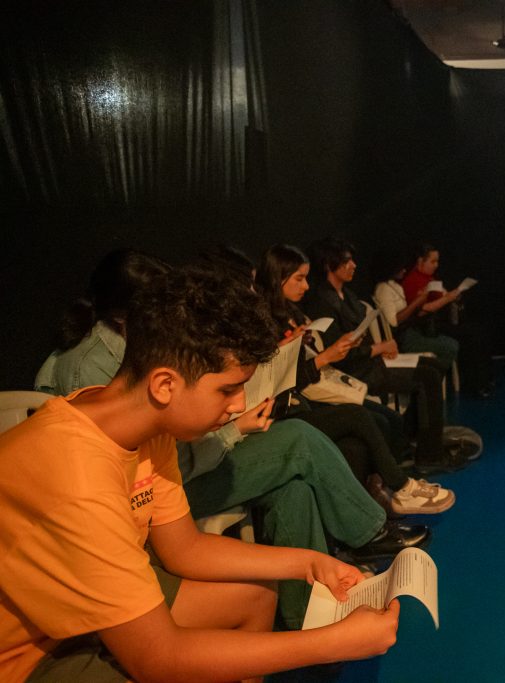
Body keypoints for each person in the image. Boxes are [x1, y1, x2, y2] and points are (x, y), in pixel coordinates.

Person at [1, 265, 402, 682]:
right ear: (164, 384)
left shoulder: (145, 426)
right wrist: (332, 642)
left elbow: (185, 549)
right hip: (25, 655)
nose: (239, 404)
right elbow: (158, 659)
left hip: (67, 609)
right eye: (227, 389)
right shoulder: (78, 477)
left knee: (255, 597)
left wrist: (311, 563)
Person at [256, 244, 455, 514]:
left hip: (320, 385)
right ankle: (400, 486)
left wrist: (314, 345)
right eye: (299, 279)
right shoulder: (275, 319)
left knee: (387, 417)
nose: (305, 286)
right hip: (304, 398)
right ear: (277, 278)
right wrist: (322, 354)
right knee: (365, 420)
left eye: (306, 278)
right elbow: (282, 378)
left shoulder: (297, 310)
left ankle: (387, 492)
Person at [304, 237, 466, 473]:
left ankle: (419, 440)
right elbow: (341, 355)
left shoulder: (346, 294)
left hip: (369, 361)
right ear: (330, 265)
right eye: (347, 262)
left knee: (432, 366)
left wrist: (379, 348)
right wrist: (378, 348)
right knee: (428, 377)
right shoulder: (322, 302)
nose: (353, 265)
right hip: (357, 371)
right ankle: (429, 456)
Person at [394, 242, 496, 397]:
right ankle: (477, 384)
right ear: (421, 261)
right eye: (433, 261)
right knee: (472, 335)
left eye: (437, 261)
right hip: (426, 327)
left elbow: (441, 297)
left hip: (437, 322)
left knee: (479, 330)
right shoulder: (413, 281)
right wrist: (448, 298)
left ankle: (485, 378)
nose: (436, 265)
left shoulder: (430, 278)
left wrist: (453, 295)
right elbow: (423, 309)